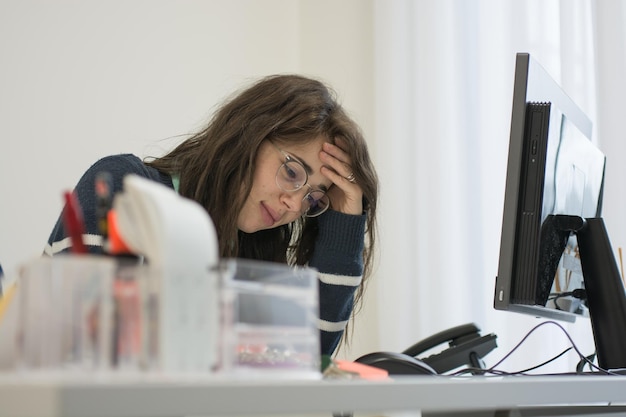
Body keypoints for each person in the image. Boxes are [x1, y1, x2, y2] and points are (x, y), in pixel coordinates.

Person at [45, 74, 379, 356]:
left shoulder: (250, 252)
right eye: (292, 173)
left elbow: (305, 357)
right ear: (250, 135)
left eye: (312, 199)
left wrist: (345, 219)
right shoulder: (123, 188)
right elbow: (88, 346)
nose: (294, 206)